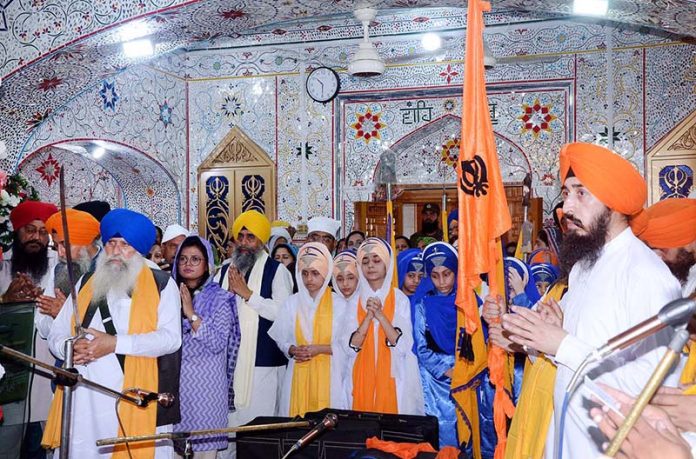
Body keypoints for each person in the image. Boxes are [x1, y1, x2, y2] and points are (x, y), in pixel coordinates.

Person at [498, 142, 682, 458]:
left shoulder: (648, 275)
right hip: (565, 437)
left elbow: (652, 387)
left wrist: (561, 343)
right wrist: (533, 338)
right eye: (567, 193)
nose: (567, 207)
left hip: (611, 446)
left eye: (581, 193)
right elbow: (568, 354)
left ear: (615, 204)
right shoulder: (584, 266)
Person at [43, 208, 182, 458]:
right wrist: (70, 348)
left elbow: (171, 339)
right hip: (83, 399)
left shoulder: (162, 284)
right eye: (111, 243)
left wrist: (115, 343)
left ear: (139, 250)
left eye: (125, 245)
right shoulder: (86, 281)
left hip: (133, 396)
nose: (116, 251)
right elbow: (57, 333)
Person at [213, 210, 293, 459]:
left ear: (262, 242)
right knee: (226, 433)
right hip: (227, 365)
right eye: (242, 236)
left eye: (252, 237)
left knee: (257, 436)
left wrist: (248, 295)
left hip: (263, 366)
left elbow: (284, 314)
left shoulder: (277, 271)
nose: (245, 243)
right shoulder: (224, 271)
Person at [172, 235, 240, 457]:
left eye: (195, 259)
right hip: (174, 389)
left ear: (207, 264)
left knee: (204, 452)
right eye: (182, 259)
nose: (187, 264)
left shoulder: (221, 298)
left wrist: (191, 313)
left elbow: (218, 343)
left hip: (206, 392)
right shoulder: (168, 295)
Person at [0, 200, 58, 459]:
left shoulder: (60, 265)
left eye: (43, 231)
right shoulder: (2, 263)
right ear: (17, 231)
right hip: (8, 385)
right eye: (30, 230)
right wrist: (5, 301)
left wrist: (52, 306)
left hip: (47, 382)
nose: (37, 237)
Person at [342, 237, 424, 415]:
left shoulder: (399, 298)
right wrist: (368, 317)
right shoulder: (354, 300)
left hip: (394, 376)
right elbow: (350, 347)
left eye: (376, 260)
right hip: (360, 373)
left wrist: (379, 314)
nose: (370, 265)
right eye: (365, 261)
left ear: (387, 263)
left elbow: (403, 345)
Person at [268, 242, 347, 416]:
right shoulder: (292, 302)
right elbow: (281, 338)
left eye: (315, 273)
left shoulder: (340, 304)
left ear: (326, 273)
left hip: (331, 375)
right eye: (304, 273)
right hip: (298, 372)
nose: (309, 279)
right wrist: (292, 349)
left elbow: (347, 345)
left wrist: (319, 349)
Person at [413, 242, 460, 448]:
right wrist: (446, 370)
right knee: (440, 426)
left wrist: (465, 370)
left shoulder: (467, 302)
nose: (441, 281)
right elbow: (421, 347)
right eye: (435, 275)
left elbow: (478, 341)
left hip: (465, 374)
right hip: (434, 378)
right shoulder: (423, 304)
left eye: (447, 274)